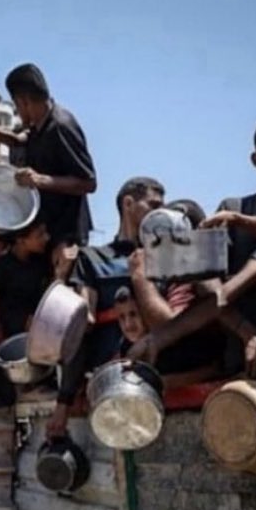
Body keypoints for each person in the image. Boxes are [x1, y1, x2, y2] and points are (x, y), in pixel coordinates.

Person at [130, 112, 256, 379]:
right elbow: (208, 287)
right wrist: (248, 333)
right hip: (246, 362)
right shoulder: (232, 209)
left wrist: (243, 222)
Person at [0, 62, 96, 267]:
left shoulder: (62, 126)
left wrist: (41, 180)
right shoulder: (39, 124)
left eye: (16, 105)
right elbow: (18, 140)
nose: (17, 111)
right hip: (45, 229)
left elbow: (89, 183)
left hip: (66, 234)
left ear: (24, 102)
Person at [47, 177, 165, 438]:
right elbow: (82, 326)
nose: (159, 214)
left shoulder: (165, 256)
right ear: (128, 203)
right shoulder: (93, 259)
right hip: (112, 385)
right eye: (153, 205)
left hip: (163, 377)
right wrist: (63, 403)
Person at [0, 218, 51, 360]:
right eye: (39, 235)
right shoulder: (3, 266)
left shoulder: (40, 264)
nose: (46, 238)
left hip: (39, 335)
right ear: (21, 240)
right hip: (14, 337)